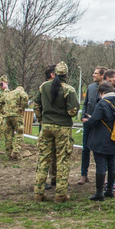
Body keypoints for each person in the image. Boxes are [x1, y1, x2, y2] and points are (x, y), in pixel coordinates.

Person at [32, 62, 80, 203]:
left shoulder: (43, 87)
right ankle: (60, 194)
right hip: (62, 128)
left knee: (44, 159)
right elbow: (72, 111)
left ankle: (38, 193)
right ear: (65, 74)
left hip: (46, 127)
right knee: (62, 160)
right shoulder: (69, 90)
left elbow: (36, 105)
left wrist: (42, 119)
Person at [83, 81, 115, 201]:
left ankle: (99, 192)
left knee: (101, 165)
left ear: (102, 92)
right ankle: (110, 190)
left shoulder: (102, 104)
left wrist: (88, 120)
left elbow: (94, 121)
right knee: (112, 164)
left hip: (101, 139)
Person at [79, 66, 107, 185]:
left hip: (100, 124)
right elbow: (86, 103)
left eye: (95, 73)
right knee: (85, 148)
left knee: (101, 150)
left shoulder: (107, 88)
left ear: (102, 75)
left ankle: (102, 175)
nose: (93, 75)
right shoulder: (90, 88)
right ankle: (83, 175)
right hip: (88, 123)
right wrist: (83, 115)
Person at [33, 65, 58, 190]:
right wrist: (41, 120)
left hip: (50, 124)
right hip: (48, 125)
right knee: (45, 154)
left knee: (55, 155)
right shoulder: (44, 87)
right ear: (52, 74)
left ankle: (54, 178)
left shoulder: (57, 87)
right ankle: (43, 180)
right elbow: (36, 105)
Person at [0, 86, 29, 160]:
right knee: (19, 132)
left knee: (8, 134)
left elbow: (0, 101)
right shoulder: (20, 92)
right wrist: (22, 107)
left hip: (7, 115)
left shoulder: (8, 93)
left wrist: (3, 110)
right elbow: (25, 97)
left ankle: (9, 152)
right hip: (17, 115)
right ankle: (15, 152)